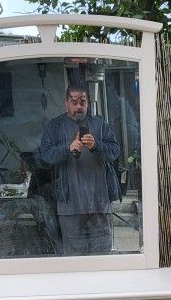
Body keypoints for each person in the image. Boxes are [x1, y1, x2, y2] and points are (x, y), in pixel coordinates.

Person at [39, 84, 121, 255]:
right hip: (69, 208)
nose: (78, 106)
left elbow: (115, 151)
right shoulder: (55, 127)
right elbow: (46, 156)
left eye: (82, 102)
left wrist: (96, 145)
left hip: (99, 205)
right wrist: (68, 149)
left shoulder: (99, 125)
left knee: (102, 257)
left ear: (88, 103)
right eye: (74, 102)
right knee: (74, 260)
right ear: (66, 103)